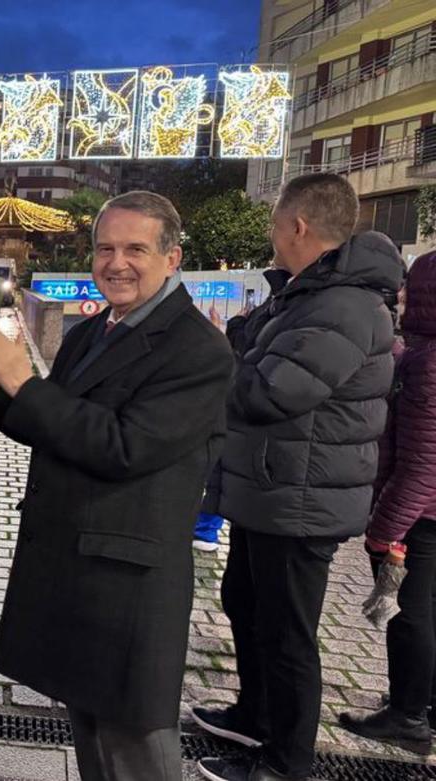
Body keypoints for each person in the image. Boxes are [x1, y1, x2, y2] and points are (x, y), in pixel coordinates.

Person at [0, 191, 233, 781]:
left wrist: (23, 379)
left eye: (135, 249)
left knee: (135, 745)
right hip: (77, 562)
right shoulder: (91, 330)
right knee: (91, 733)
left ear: (172, 257)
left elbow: (122, 446)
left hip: (129, 580)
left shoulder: (197, 349)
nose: (116, 263)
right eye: (105, 248)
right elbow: (61, 428)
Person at [194, 174, 404, 781]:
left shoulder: (341, 303)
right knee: (246, 603)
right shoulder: (308, 294)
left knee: (288, 636)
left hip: (302, 497)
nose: (271, 234)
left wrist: (214, 358)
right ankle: (254, 715)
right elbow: (256, 350)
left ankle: (286, 763)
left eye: (274, 223)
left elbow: (270, 390)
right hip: (273, 487)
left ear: (298, 227)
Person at [336, 251, 436, 755]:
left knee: (410, 614)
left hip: (421, 517)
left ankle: (408, 716)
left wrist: (383, 531)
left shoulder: (427, 363)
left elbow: (422, 463)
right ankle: (425, 703)